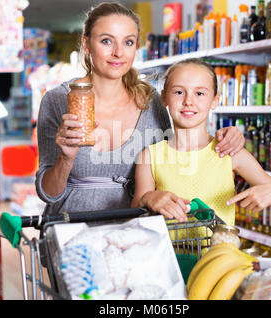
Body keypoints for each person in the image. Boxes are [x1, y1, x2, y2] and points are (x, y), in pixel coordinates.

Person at [35, 2, 245, 216]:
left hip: (136, 234)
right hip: (70, 233)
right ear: (86, 44)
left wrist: (225, 138)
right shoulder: (58, 100)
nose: (118, 53)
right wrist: (66, 159)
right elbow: (48, 193)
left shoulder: (149, 101)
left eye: (128, 42)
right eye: (106, 41)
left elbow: (176, 157)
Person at [131, 58, 271, 225]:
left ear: (215, 101)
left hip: (220, 253)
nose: (188, 101)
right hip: (168, 254)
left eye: (199, 93)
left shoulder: (229, 152)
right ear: (164, 98)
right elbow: (135, 215)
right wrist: (147, 198)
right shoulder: (150, 157)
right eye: (178, 92)